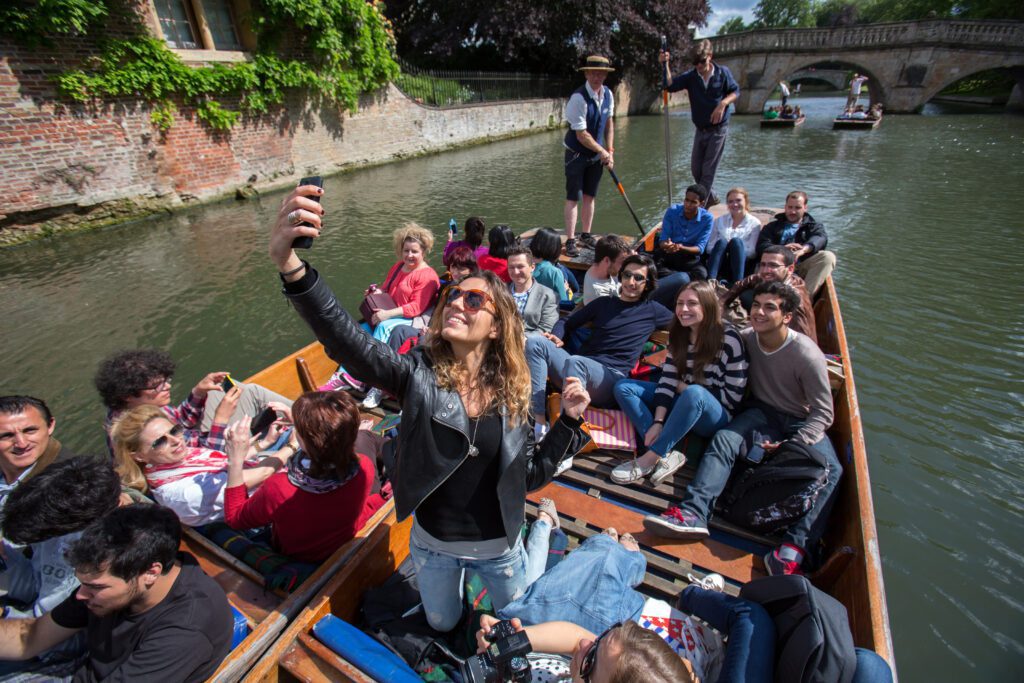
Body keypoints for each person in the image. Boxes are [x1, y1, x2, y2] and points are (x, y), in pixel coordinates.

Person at [270, 183, 591, 632]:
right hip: (432, 544)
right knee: (441, 625)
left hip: (498, 549)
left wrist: (570, 421)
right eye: (452, 296)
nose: (458, 300)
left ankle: (541, 529)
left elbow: (531, 475)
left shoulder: (516, 392)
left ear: (497, 327)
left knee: (517, 622)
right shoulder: (416, 375)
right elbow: (349, 340)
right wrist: (291, 268)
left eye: (474, 298)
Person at [645, 282, 841, 577]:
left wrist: (795, 444)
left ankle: (793, 548)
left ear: (787, 316)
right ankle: (694, 512)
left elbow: (824, 412)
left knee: (833, 470)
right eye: (756, 305)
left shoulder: (805, 354)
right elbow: (710, 337)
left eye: (770, 307)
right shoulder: (745, 338)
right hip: (761, 412)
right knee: (725, 439)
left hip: (799, 420)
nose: (759, 312)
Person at [486, 528, 776, 683]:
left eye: (590, 664)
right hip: (643, 632)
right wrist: (519, 640)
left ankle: (618, 554)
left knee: (597, 563)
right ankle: (622, 557)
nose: (586, 641)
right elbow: (579, 641)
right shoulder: (598, 654)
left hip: (623, 624)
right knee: (600, 563)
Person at [0, 504, 233, 681]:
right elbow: (30, 637)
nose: (81, 595)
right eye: (82, 583)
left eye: (95, 587)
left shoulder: (185, 630)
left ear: (151, 572)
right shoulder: (110, 581)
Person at [223, 392, 387, 564]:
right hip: (341, 539)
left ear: (305, 441)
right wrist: (308, 430)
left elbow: (234, 518)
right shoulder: (364, 467)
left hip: (301, 556)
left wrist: (235, 459)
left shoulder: (279, 488)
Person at [611, 281, 748, 485]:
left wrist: (684, 388)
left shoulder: (729, 339)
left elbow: (732, 398)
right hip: (683, 399)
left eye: (692, 303)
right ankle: (665, 452)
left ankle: (650, 458)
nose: (683, 309)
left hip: (714, 414)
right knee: (624, 387)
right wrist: (657, 422)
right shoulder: (679, 334)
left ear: (707, 307)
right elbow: (667, 380)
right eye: (680, 303)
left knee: (694, 394)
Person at [526, 254, 673, 441]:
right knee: (536, 342)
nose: (631, 281)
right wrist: (558, 336)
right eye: (627, 275)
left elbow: (684, 323)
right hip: (579, 369)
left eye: (638, 278)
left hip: (610, 379)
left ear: (648, 283)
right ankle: (538, 421)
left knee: (576, 361)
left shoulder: (653, 310)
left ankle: (562, 439)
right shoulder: (604, 303)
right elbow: (568, 320)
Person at [0, 457, 121, 679]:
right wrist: (6, 562)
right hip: (30, 622)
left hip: (58, 648)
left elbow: (40, 639)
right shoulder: (56, 516)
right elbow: (39, 580)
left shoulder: (99, 562)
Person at [111, 404, 291, 526]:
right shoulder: (182, 493)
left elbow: (224, 463)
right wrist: (294, 445)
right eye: (160, 442)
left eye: (174, 430)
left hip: (261, 472)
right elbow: (256, 476)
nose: (176, 441)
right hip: (266, 510)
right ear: (139, 456)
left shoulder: (177, 460)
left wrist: (265, 443)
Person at [95, 349, 291, 457]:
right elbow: (206, 457)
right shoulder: (137, 430)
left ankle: (305, 412)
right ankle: (308, 419)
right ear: (128, 395)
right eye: (157, 386)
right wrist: (221, 418)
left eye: (166, 380)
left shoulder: (145, 406)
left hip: (198, 441)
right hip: (208, 458)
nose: (167, 387)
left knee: (244, 390)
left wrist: (198, 393)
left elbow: (181, 421)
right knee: (236, 396)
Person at [660, 40, 740, 208]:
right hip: (700, 128)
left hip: (718, 129)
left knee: (708, 171)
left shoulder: (722, 73)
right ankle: (710, 197)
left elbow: (735, 91)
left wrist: (723, 104)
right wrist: (665, 63)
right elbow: (669, 85)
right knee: (696, 169)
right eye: (695, 63)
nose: (699, 66)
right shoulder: (691, 77)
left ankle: (700, 210)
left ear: (710, 57)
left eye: (702, 61)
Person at [562, 55, 616, 258]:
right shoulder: (578, 98)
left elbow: (609, 124)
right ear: (586, 73)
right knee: (573, 198)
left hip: (596, 156)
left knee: (590, 196)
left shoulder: (608, 94)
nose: (597, 76)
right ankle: (570, 239)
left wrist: (610, 150)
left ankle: (585, 234)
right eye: (593, 72)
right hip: (577, 154)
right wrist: (602, 151)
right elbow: (581, 135)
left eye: (601, 73)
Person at [722, 245, 818, 344]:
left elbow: (802, 342)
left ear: (790, 269)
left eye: (773, 265)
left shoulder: (795, 301)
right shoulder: (774, 278)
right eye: (763, 265)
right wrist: (720, 305)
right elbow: (748, 281)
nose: (765, 270)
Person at [0, 395, 78, 511]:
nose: (22, 444)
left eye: (30, 430)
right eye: (7, 435)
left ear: (50, 425)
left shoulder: (74, 484)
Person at [756, 191, 837, 298]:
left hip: (801, 264)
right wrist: (781, 249)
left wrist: (804, 250)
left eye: (797, 208)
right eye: (790, 207)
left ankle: (803, 299)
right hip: (777, 266)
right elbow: (761, 245)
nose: (793, 211)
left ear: (805, 207)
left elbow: (821, 237)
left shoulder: (813, 226)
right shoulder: (772, 226)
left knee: (828, 257)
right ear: (785, 207)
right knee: (763, 265)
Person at [651, 184, 714, 309]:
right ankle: (679, 280)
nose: (688, 205)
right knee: (654, 267)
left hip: (689, 256)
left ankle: (677, 280)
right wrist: (667, 245)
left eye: (693, 202)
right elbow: (663, 240)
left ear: (701, 204)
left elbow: (700, 249)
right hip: (668, 254)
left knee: (702, 273)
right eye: (686, 200)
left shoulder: (707, 219)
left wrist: (680, 247)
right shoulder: (672, 212)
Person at [705, 187, 762, 286]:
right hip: (721, 261)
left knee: (736, 242)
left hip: (741, 263)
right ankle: (711, 282)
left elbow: (752, 252)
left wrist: (735, 249)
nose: (735, 204)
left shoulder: (754, 223)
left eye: (738, 200)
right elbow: (709, 247)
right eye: (731, 201)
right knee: (722, 242)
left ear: (746, 201)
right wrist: (725, 247)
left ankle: (738, 285)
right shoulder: (719, 221)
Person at [506, 245, 559, 336]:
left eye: (520, 266)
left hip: (528, 344)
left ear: (532, 267)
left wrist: (518, 340)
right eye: (511, 267)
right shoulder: (501, 291)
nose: (515, 272)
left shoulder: (549, 295)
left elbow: (545, 329)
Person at [528, 227, 572, 304]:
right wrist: (566, 290)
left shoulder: (523, 265)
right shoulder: (555, 272)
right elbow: (565, 304)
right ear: (555, 249)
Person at [583, 234, 630, 304]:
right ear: (607, 260)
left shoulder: (601, 267)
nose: (625, 266)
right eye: (622, 261)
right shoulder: (599, 294)